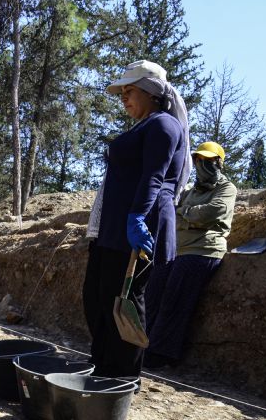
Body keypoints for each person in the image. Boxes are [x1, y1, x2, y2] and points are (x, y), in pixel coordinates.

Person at [83, 60, 190, 378]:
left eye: (129, 90)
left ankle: (122, 378)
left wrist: (137, 218)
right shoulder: (144, 125)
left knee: (124, 301)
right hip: (114, 229)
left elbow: (154, 178)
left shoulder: (163, 125)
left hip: (137, 228)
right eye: (121, 93)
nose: (123, 98)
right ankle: (102, 366)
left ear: (151, 91)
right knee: (97, 298)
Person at [143, 142, 237, 369]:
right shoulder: (191, 191)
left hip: (203, 250)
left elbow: (211, 212)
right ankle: (141, 345)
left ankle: (161, 353)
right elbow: (174, 213)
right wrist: (189, 216)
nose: (202, 164)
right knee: (152, 292)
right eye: (198, 160)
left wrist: (185, 213)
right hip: (178, 249)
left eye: (208, 160)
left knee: (174, 299)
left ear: (218, 162)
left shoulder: (227, 188)